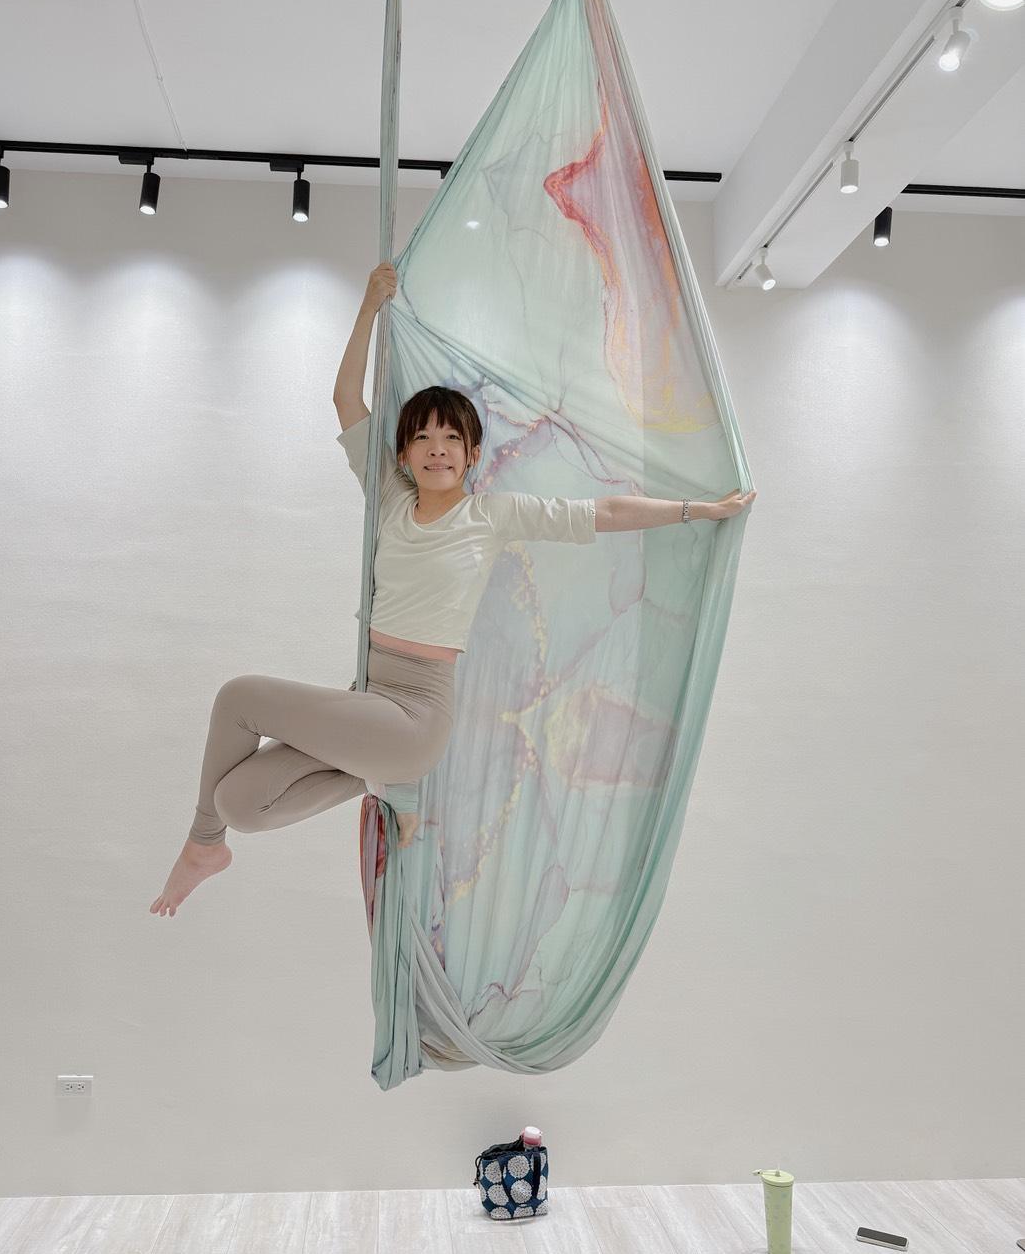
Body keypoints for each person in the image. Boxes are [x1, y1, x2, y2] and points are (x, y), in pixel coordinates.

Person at [149, 264, 756, 917]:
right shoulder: (389, 499)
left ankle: (203, 844)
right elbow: (346, 399)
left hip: (415, 718)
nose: (436, 449)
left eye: (451, 438)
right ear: (404, 454)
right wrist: (368, 306)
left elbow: (604, 512)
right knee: (242, 802)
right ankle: (383, 784)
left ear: (471, 454)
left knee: (238, 697)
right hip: (368, 701)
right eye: (422, 437)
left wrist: (697, 509)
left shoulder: (492, 515)